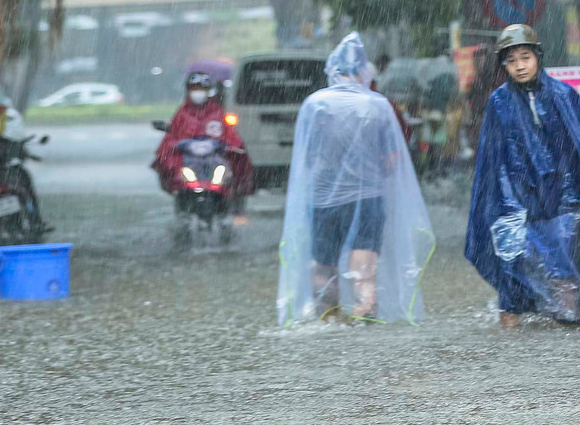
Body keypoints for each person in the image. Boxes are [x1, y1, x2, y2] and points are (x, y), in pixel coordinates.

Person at [465, 24, 580, 329]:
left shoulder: (564, 96)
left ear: (537, 57)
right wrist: (503, 205)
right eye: (512, 60)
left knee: (566, 278)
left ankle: (569, 342)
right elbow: (493, 161)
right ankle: (515, 355)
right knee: (512, 281)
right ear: (504, 65)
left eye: (525, 57)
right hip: (520, 206)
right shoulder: (499, 103)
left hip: (564, 203)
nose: (520, 66)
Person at [276, 32, 434, 325]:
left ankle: (327, 314)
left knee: (323, 262)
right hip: (367, 196)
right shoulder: (378, 106)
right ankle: (365, 309)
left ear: (332, 70)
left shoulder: (314, 105)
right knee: (364, 261)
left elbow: (306, 159)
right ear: (364, 71)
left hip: (323, 200)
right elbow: (392, 160)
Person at [151, 62, 255, 215]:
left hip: (214, 161)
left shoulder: (217, 112)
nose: (198, 92)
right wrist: (180, 145)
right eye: (195, 88)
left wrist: (226, 146)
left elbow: (231, 137)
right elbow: (171, 137)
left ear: (208, 91)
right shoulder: (182, 113)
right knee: (174, 172)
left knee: (229, 173)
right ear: (188, 90)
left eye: (202, 89)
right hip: (188, 161)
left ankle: (227, 211)